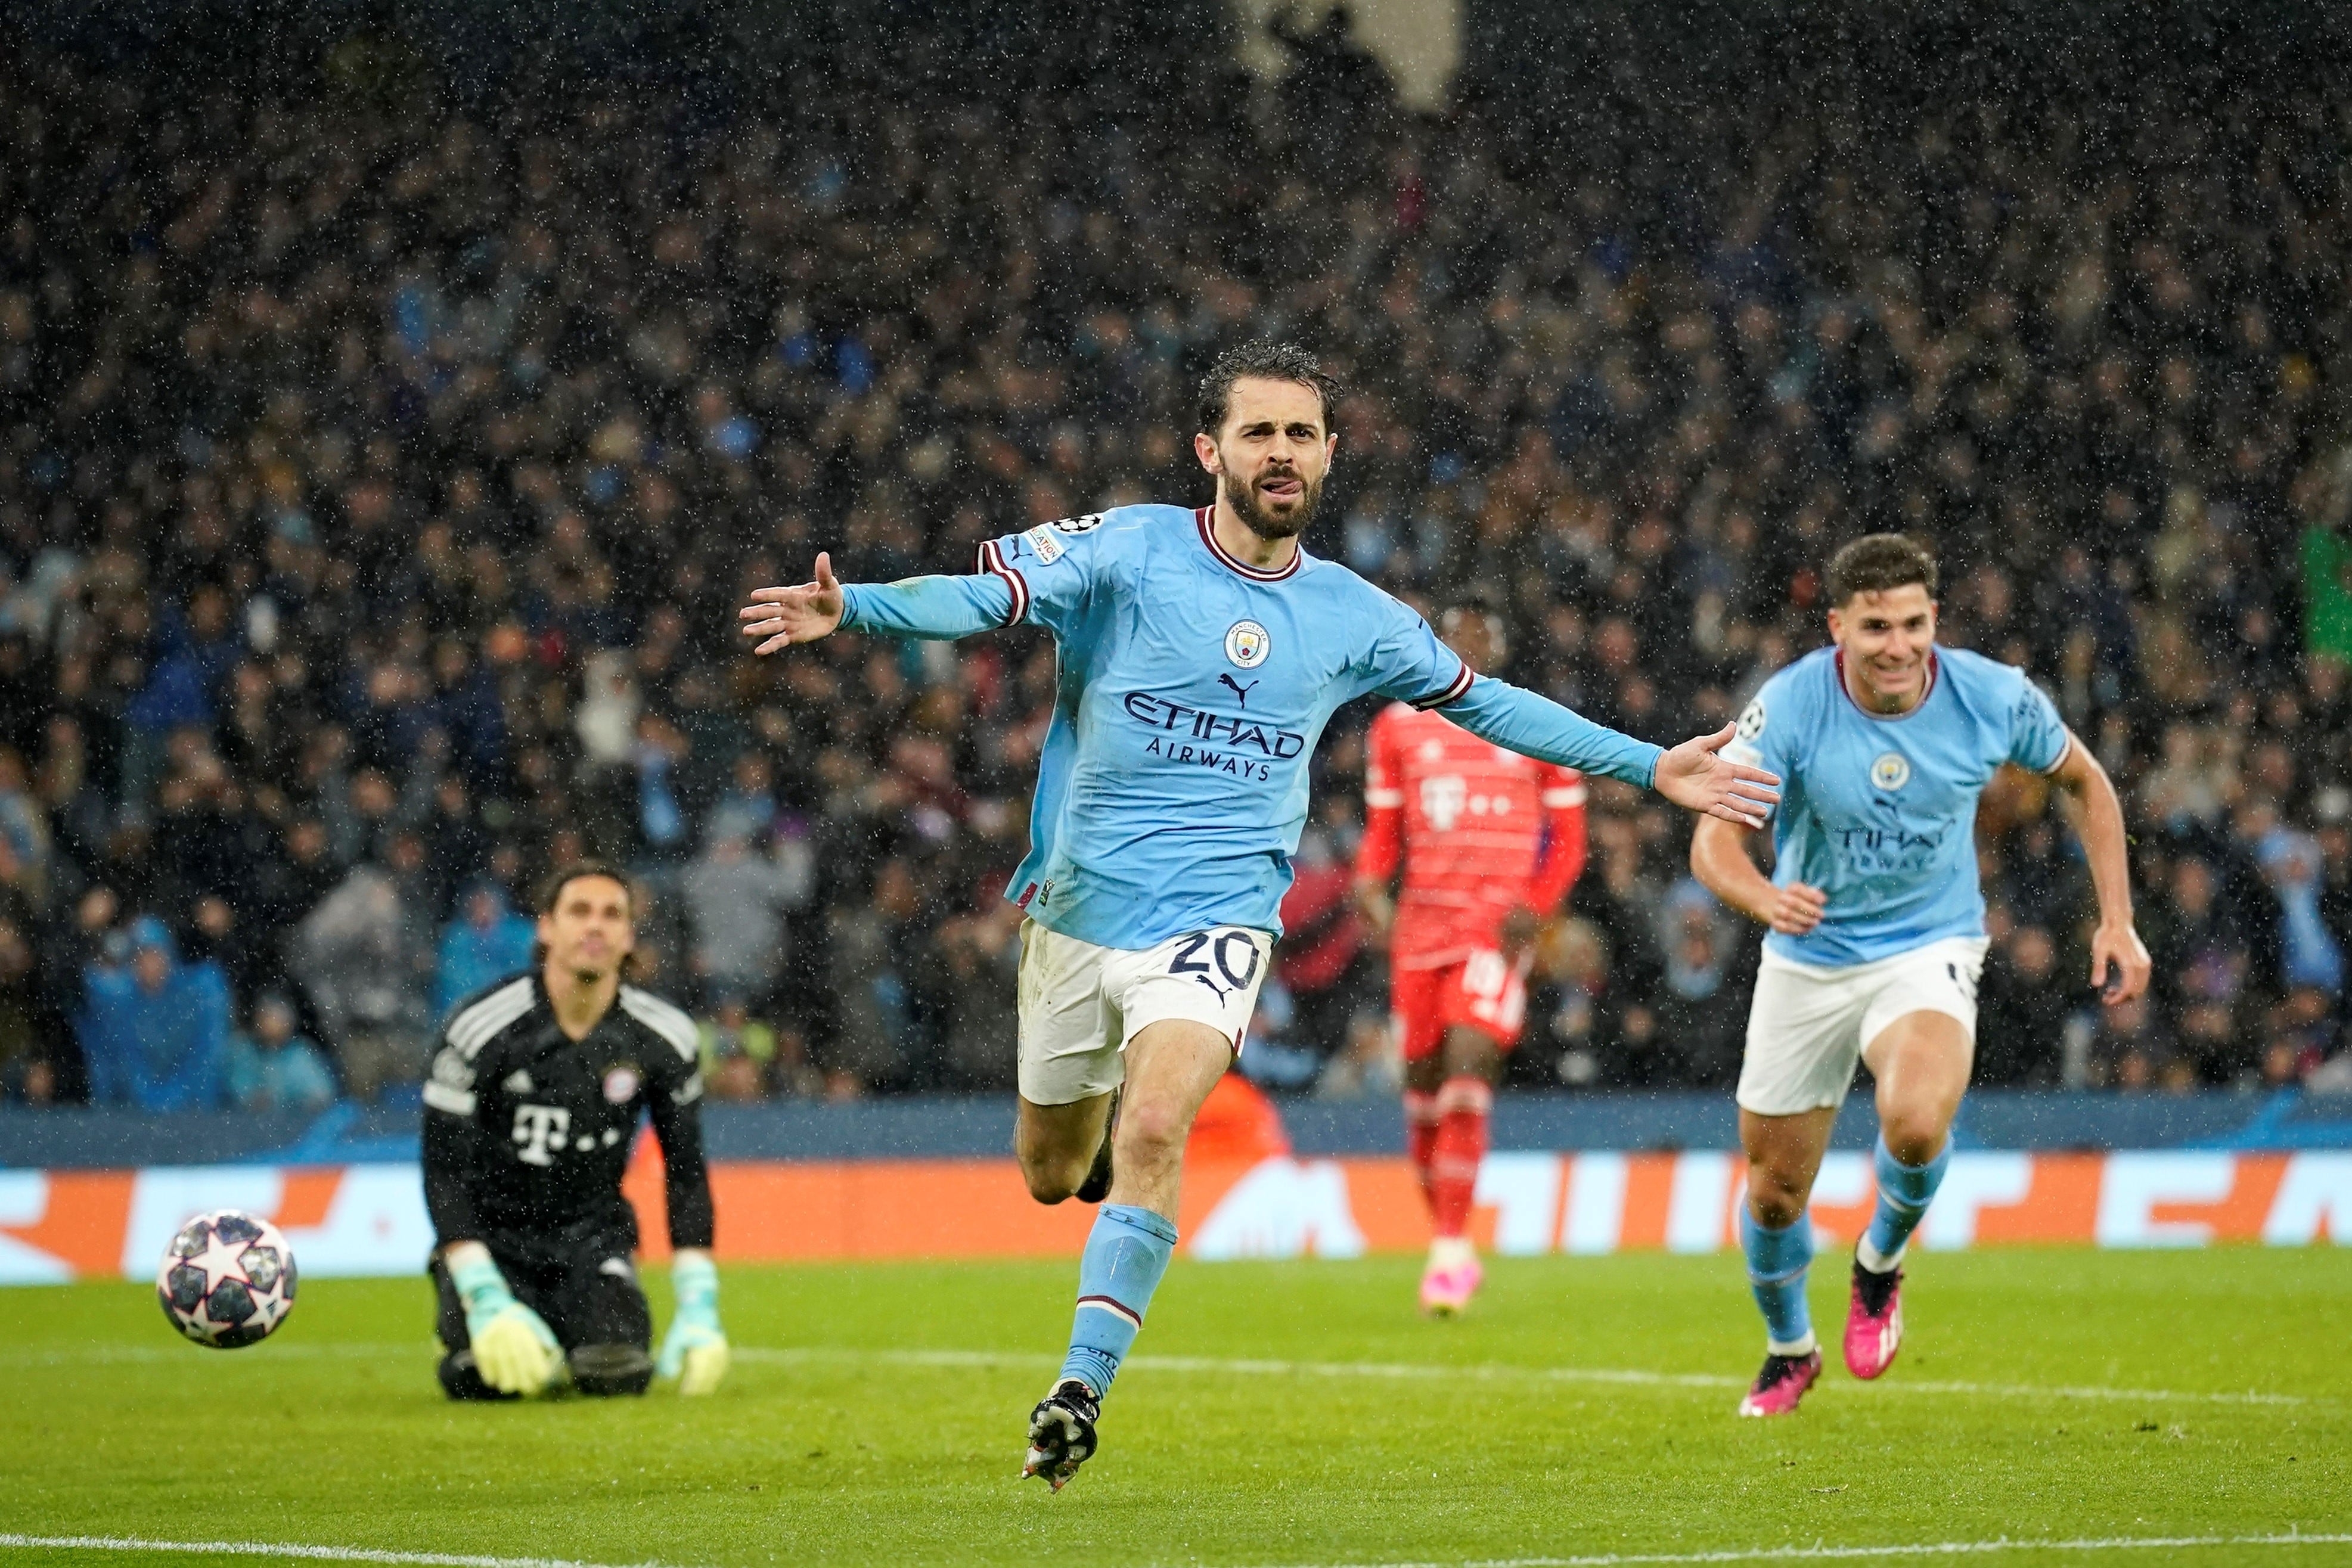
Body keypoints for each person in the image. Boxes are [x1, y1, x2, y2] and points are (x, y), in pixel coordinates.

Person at [738, 341, 1779, 1488]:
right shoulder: (1128, 547)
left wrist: (1648, 765)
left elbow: (1489, 707)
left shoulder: (1354, 614)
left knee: (1153, 1129)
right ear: (1210, 450)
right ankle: (1091, 1179)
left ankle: (1078, 1388)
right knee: (1050, 1168)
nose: (1280, 453)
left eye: (1300, 434)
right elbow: (984, 597)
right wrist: (863, 608)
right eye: (1258, 433)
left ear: (1329, 455)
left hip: (1220, 919)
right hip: (1079, 916)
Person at [1690, 534, 2150, 1418]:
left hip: (1927, 943)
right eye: (1874, 627)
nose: (1896, 644)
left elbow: (2085, 783)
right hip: (1808, 954)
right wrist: (1762, 896)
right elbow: (1712, 837)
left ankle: (1878, 1262)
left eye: (1911, 623)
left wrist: (2118, 919)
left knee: (1910, 1119)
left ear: (1933, 619)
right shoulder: (1789, 704)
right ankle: (1789, 1347)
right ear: (1838, 629)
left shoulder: (1991, 696)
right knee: (1775, 1185)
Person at [1352, 601, 1587, 1315]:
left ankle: (1449, 1250)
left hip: (1495, 933)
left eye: (1482, 634)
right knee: (1422, 1093)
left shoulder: (1535, 723)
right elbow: (1382, 841)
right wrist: (1368, 887)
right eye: (1457, 633)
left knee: (1467, 1063)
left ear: (1501, 643)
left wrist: (1537, 906)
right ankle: (1449, 1242)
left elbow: (1570, 839)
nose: (1469, 645)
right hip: (1420, 933)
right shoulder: (1396, 727)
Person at [420, 861, 730, 1402]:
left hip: (593, 1240)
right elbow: (444, 1168)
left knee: (618, 1375)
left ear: (630, 935)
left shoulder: (666, 1038)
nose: (596, 926)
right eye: (579, 911)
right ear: (546, 927)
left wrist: (700, 1305)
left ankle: (585, 1316)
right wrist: (480, 1287)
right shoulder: (482, 1028)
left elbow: (686, 1172)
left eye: (612, 914)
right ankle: (470, 1305)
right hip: (495, 1241)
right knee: (482, 1380)